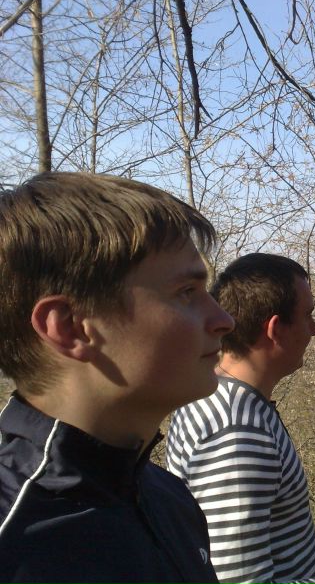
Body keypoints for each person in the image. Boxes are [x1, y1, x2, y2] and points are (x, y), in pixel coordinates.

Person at [0, 172, 235, 582]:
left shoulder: (170, 498)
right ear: (70, 327)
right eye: (186, 292)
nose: (224, 320)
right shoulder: (14, 543)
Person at [166, 253, 315, 584]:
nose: (314, 330)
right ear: (275, 329)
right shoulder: (239, 432)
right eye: (307, 316)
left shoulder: (216, 397)